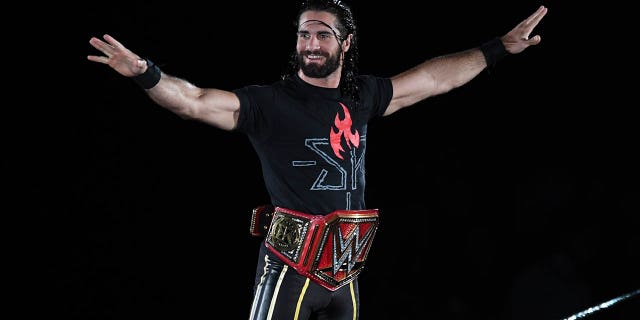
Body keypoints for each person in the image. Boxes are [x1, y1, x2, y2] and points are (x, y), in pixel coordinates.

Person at [87, 1, 548, 319]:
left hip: (346, 273)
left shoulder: (362, 95)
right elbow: (194, 100)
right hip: (290, 267)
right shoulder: (269, 103)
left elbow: (431, 79)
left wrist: (497, 49)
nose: (311, 43)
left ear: (345, 44)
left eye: (323, 35)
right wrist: (146, 73)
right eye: (304, 34)